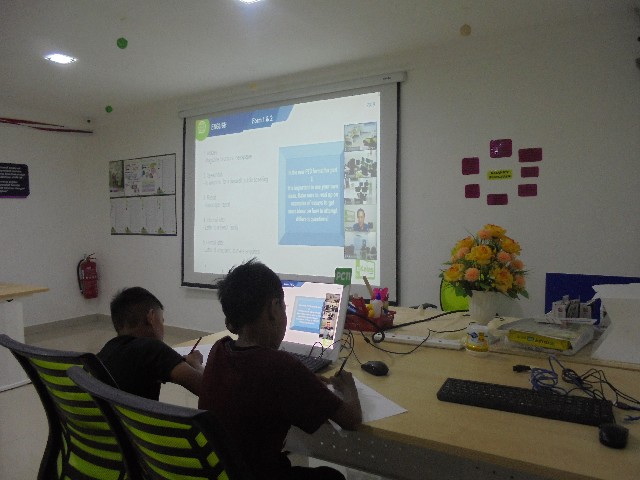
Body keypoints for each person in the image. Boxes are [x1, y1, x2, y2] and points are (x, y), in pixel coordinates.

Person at [199, 259, 362, 480]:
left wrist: (306, 382)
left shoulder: (219, 350)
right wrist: (348, 387)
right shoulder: (281, 367)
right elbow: (351, 420)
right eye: (284, 308)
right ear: (273, 309)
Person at [97, 287, 203, 400]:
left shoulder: (105, 351)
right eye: (161, 320)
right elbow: (208, 390)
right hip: (138, 412)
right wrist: (195, 363)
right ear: (151, 317)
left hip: (117, 411)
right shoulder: (153, 349)